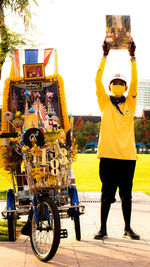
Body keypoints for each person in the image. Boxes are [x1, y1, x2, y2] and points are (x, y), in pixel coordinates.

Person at [94, 39, 140, 240]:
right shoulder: (104, 102)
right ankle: (103, 229)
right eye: (116, 83)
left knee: (126, 196)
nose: (119, 86)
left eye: (122, 84)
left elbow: (136, 80)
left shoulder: (131, 101)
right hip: (107, 155)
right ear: (111, 86)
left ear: (126, 87)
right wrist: (104, 57)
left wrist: (132, 58)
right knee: (106, 195)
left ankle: (127, 228)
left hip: (127, 157)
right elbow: (97, 81)